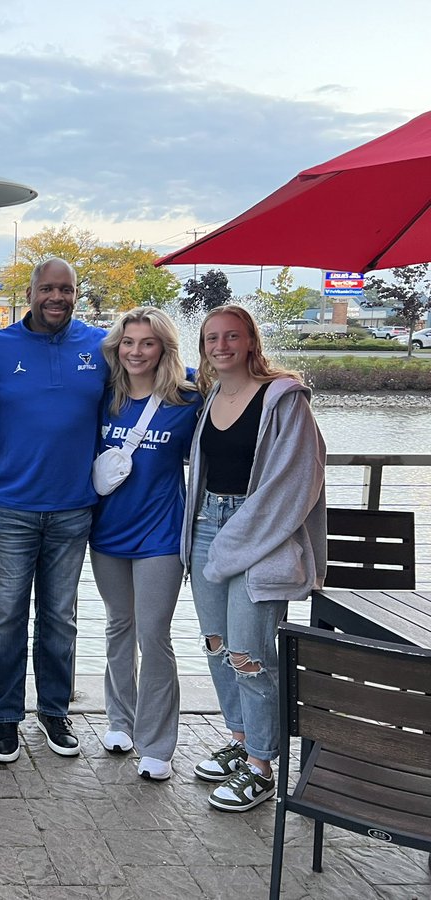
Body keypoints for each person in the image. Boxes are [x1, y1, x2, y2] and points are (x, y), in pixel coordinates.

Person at [182, 303, 325, 812]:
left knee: (251, 655)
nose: (221, 346)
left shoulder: (283, 399)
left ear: (251, 342)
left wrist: (237, 539)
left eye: (232, 337)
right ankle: (241, 742)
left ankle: (264, 766)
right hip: (204, 529)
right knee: (218, 646)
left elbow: (296, 481)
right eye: (211, 338)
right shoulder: (211, 395)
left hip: (259, 536)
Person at [0, 257, 108, 762]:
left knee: (60, 617)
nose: (57, 297)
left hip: (74, 509)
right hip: (10, 507)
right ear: (30, 293)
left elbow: (156, 370)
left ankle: (54, 710)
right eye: (47, 289)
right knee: (6, 616)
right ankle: (6, 716)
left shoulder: (101, 346)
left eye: (66, 289)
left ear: (77, 293)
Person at [88, 307, 201, 782]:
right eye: (128, 342)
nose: (136, 351)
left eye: (147, 343)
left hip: (160, 535)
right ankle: (120, 721)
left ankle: (157, 743)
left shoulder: (188, 396)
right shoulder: (104, 396)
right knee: (118, 626)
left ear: (163, 349)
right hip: (107, 533)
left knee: (153, 635)